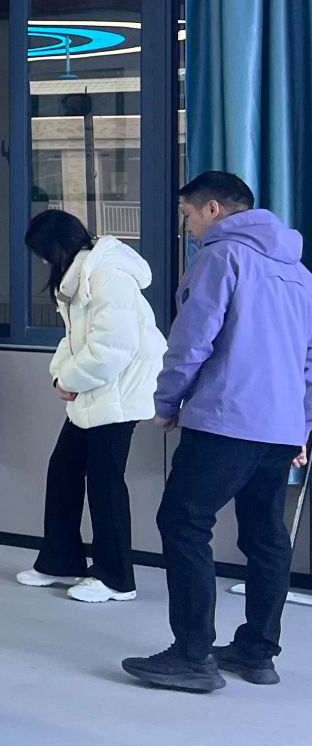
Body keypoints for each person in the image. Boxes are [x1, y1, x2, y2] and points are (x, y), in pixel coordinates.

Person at [123, 172, 312, 692]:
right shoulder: (298, 271)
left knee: (183, 521)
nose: (186, 227)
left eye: (187, 215)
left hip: (227, 418)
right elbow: (309, 361)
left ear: (213, 209)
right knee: (265, 535)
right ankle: (257, 653)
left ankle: (192, 656)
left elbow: (191, 340)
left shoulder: (220, 258)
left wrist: (166, 402)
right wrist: (301, 427)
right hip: (279, 428)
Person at [14, 210, 166, 603]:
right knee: (63, 471)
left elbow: (115, 347)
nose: (42, 261)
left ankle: (117, 578)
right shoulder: (79, 274)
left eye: (42, 252)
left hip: (120, 392)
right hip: (97, 390)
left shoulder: (107, 274)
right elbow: (74, 339)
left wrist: (70, 380)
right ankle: (61, 561)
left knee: (104, 482)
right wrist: (60, 376)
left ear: (56, 247)